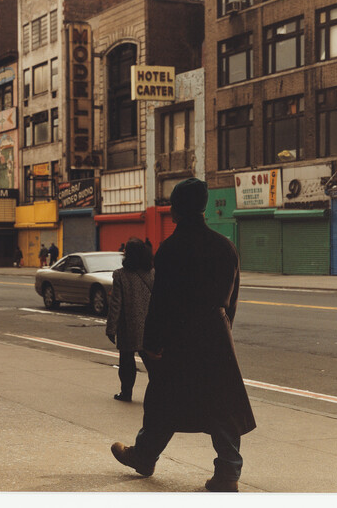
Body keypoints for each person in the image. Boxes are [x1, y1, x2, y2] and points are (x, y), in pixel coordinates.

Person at [111, 178, 255, 493]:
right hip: (216, 337)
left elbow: (160, 303)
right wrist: (222, 331)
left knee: (162, 400)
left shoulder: (171, 249)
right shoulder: (225, 246)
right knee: (223, 405)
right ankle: (228, 472)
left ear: (176, 209)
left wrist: (151, 343)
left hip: (179, 337)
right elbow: (231, 300)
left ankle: (144, 456)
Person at [105, 238, 154, 402]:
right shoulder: (153, 273)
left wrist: (111, 328)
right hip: (150, 325)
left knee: (126, 361)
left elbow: (116, 305)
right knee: (152, 363)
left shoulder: (120, 275)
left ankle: (126, 393)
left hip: (128, 326)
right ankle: (160, 394)